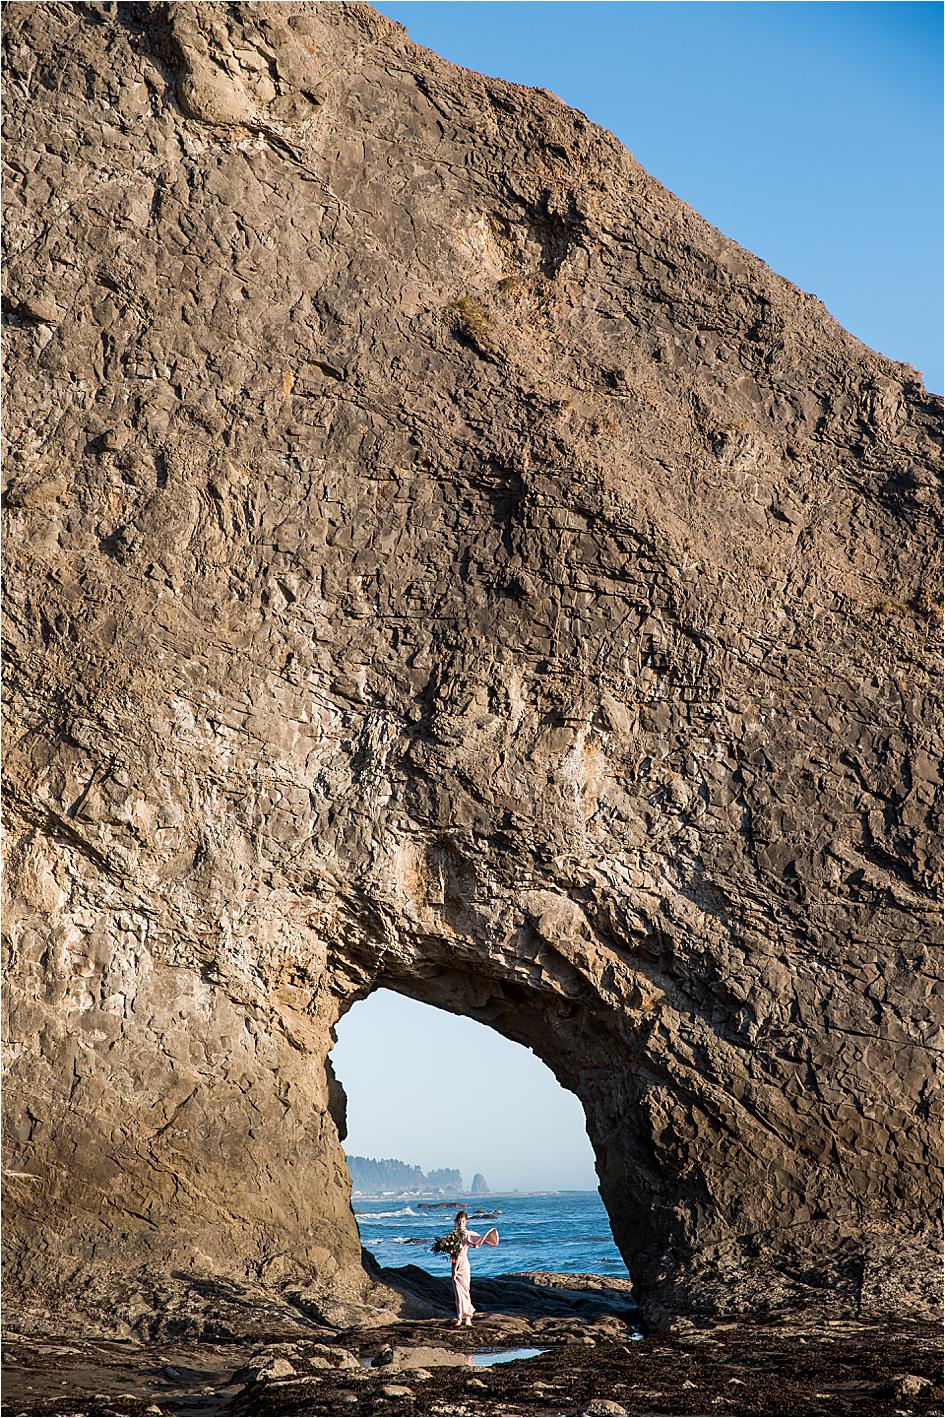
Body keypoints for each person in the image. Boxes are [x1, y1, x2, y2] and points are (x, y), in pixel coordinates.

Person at [450, 1209, 498, 1326]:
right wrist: (453, 1267)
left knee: (465, 1291)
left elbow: (472, 1243)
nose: (461, 1223)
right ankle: (459, 1317)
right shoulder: (453, 1235)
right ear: (456, 1222)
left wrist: (487, 1236)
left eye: (463, 1221)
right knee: (457, 1293)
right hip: (455, 1263)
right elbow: (452, 1253)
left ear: (466, 1222)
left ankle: (467, 1318)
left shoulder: (467, 1234)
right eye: (459, 1221)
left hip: (463, 1265)